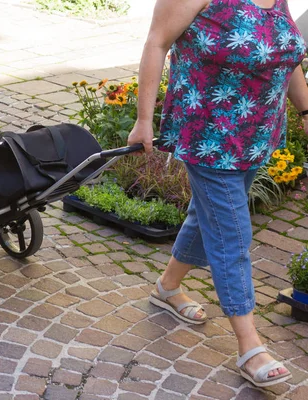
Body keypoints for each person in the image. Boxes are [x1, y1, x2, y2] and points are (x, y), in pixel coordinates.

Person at [128, 0, 308, 388]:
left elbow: (285, 55)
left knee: (205, 215)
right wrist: (144, 119)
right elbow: (158, 41)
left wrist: (306, 112)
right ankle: (249, 345)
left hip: (256, 136)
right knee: (232, 235)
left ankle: (167, 288)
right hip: (207, 135)